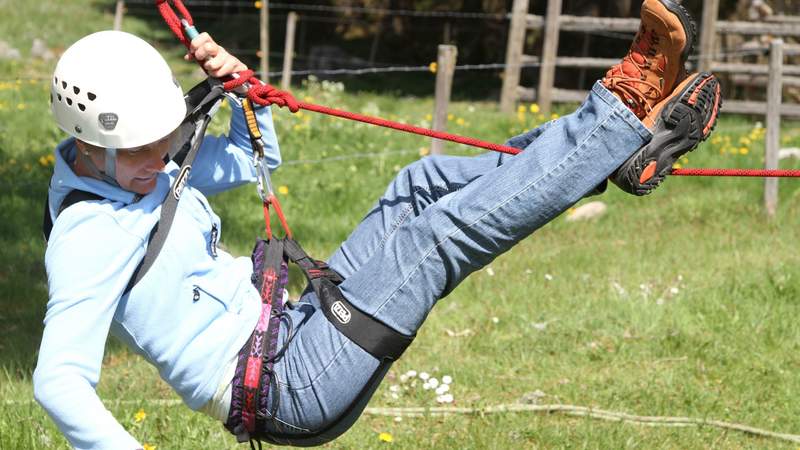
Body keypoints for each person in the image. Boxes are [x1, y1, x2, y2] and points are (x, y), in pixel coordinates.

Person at [34, 0, 721, 448]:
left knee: (414, 187)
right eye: (144, 147)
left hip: (289, 328)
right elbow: (58, 381)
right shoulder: (87, 234)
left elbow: (256, 156)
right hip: (284, 386)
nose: (164, 154)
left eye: (167, 136)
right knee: (433, 237)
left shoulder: (135, 162)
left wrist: (244, 88)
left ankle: (614, 144)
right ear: (88, 142)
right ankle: (619, 120)